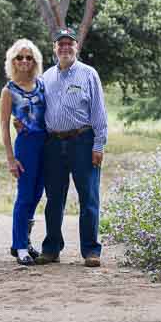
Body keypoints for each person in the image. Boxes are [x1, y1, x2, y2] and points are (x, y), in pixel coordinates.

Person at [36, 26, 108, 268]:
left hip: (83, 141)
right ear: (54, 48)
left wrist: (98, 145)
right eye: (60, 44)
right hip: (53, 144)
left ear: (77, 47)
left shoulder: (89, 74)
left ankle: (90, 251)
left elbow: (99, 114)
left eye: (70, 43)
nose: (65, 47)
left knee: (89, 197)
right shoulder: (45, 77)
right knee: (54, 198)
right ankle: (51, 248)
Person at [0, 38, 46, 266]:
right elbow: (4, 125)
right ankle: (18, 246)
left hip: (46, 145)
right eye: (20, 57)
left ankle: (25, 240)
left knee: (37, 195)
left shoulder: (42, 84)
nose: (24, 61)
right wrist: (10, 158)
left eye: (29, 57)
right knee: (25, 195)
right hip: (25, 146)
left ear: (35, 60)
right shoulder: (9, 91)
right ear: (13, 61)